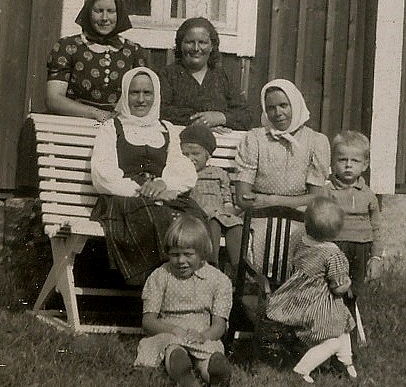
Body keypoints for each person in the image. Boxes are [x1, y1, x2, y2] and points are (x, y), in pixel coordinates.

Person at [90, 68, 206, 285]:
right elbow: (102, 174)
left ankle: (197, 288)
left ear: (156, 95)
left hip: (162, 192)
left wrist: (164, 183)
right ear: (125, 94)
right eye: (134, 93)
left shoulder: (166, 128)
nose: (141, 100)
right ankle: (159, 285)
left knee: (194, 217)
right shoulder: (111, 128)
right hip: (123, 196)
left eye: (147, 93)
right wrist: (139, 189)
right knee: (155, 218)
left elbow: (182, 166)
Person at [134, 215, 233, 387]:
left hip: (202, 334)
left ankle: (213, 374)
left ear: (202, 253)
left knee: (209, 354)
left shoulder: (218, 280)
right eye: (174, 254)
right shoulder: (160, 276)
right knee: (172, 349)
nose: (180, 261)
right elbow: (148, 321)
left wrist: (204, 336)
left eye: (188, 254)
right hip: (170, 332)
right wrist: (173, 330)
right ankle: (185, 377)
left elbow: (219, 325)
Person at [266, 197, 357, 383]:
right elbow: (337, 288)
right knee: (331, 339)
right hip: (319, 304)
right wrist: (347, 283)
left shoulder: (302, 242)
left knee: (344, 323)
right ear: (337, 231)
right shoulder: (333, 254)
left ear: (307, 225)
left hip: (298, 297)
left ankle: (345, 362)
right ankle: (301, 370)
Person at [46, 0, 148, 120]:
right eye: (98, 11)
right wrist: (95, 113)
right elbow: (54, 99)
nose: (104, 17)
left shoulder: (134, 52)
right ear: (88, 12)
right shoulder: (68, 47)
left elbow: (142, 99)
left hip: (118, 127)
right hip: (74, 124)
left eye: (111, 11)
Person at [234, 79, 330, 211]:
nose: (278, 113)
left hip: (299, 215)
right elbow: (242, 197)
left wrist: (274, 201)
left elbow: (316, 197)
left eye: (283, 105)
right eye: (271, 108)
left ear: (295, 105)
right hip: (259, 213)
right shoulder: (255, 139)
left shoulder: (315, 141)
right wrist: (264, 204)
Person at [158, 17, 252, 131]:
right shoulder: (167, 75)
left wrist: (221, 118)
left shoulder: (223, 77)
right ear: (180, 45)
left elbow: (246, 115)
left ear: (212, 46)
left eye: (202, 42)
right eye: (190, 42)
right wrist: (200, 122)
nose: (196, 48)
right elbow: (160, 111)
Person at [324, 131, 383, 304]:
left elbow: (376, 227)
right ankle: (330, 324)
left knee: (353, 292)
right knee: (333, 290)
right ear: (333, 163)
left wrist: (376, 257)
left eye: (355, 161)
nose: (348, 165)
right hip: (334, 247)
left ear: (365, 165)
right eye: (342, 160)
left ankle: (349, 325)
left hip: (361, 249)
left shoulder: (368, 195)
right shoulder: (327, 192)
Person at [179, 123, 243, 274]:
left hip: (220, 212)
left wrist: (229, 209)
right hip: (198, 214)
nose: (190, 159)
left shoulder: (219, 173)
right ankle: (210, 266)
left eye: (196, 154)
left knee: (236, 226)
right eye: (185, 154)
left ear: (208, 155)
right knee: (213, 223)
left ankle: (240, 270)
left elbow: (227, 196)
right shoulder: (182, 175)